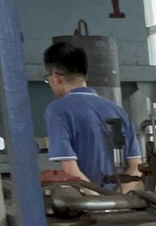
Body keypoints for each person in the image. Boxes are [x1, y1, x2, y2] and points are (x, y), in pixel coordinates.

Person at [42, 41, 143, 191]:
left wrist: (98, 200)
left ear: (56, 77)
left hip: (85, 201)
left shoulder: (57, 110)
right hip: (120, 201)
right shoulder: (118, 111)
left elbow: (71, 170)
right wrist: (117, 199)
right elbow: (136, 168)